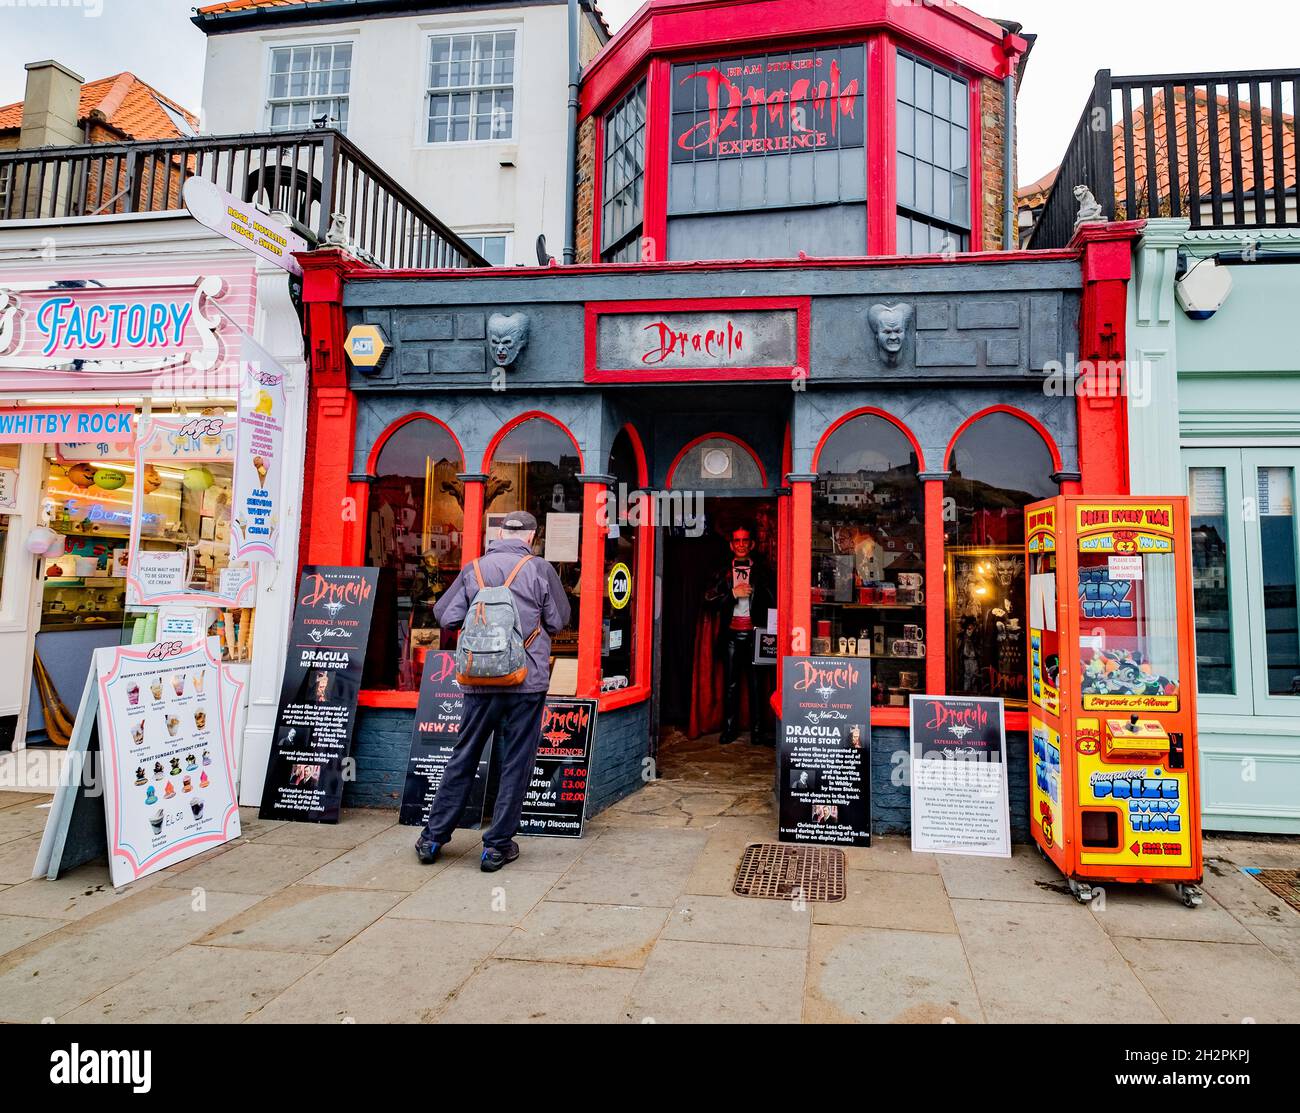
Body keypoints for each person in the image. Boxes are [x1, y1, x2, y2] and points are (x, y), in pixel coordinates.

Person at [414, 511, 571, 871]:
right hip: (526, 681)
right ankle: (496, 847)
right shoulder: (540, 569)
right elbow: (558, 621)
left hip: (480, 678)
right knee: (517, 761)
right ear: (532, 537)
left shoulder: (474, 568)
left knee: (464, 754)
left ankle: (433, 838)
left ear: (500, 534)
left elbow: (446, 616)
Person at [704, 524, 773, 746]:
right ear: (731, 545)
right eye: (737, 541)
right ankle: (729, 728)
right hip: (731, 635)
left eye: (745, 540)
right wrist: (733, 593)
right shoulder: (721, 571)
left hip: (755, 635)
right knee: (731, 685)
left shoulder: (763, 572)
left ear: (752, 544)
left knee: (757, 685)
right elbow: (708, 600)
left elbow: (774, 600)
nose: (741, 545)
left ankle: (757, 732)